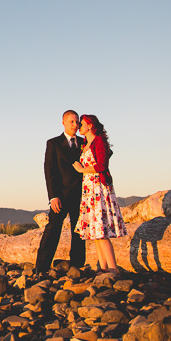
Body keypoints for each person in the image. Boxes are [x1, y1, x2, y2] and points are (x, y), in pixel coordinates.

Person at [73, 114, 127, 273]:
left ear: (90, 125)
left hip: (99, 188)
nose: (79, 126)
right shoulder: (86, 144)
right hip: (89, 188)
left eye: (82, 124)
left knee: (102, 232)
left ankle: (113, 268)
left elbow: (102, 165)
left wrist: (82, 169)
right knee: (96, 232)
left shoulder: (99, 141)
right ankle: (103, 268)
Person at [34, 109, 87, 272]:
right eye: (71, 121)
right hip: (61, 196)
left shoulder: (84, 142)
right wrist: (53, 196)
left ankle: (77, 266)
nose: (75, 124)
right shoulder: (53, 143)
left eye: (77, 122)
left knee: (79, 232)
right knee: (52, 230)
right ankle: (41, 268)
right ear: (63, 122)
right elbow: (49, 171)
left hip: (81, 195)